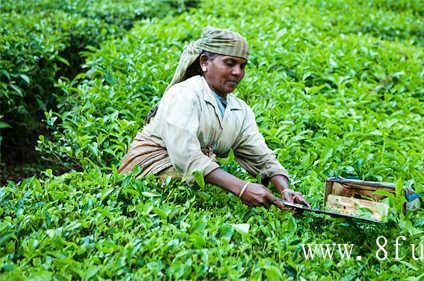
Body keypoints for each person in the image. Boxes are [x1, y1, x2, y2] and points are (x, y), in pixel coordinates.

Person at [119, 27, 310, 209]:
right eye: (229, 63)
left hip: (190, 177)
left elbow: (261, 156)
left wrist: (285, 189)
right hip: (146, 176)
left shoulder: (240, 110)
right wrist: (241, 188)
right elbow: (185, 156)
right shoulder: (184, 94)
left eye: (242, 66)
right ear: (204, 62)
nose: (237, 72)